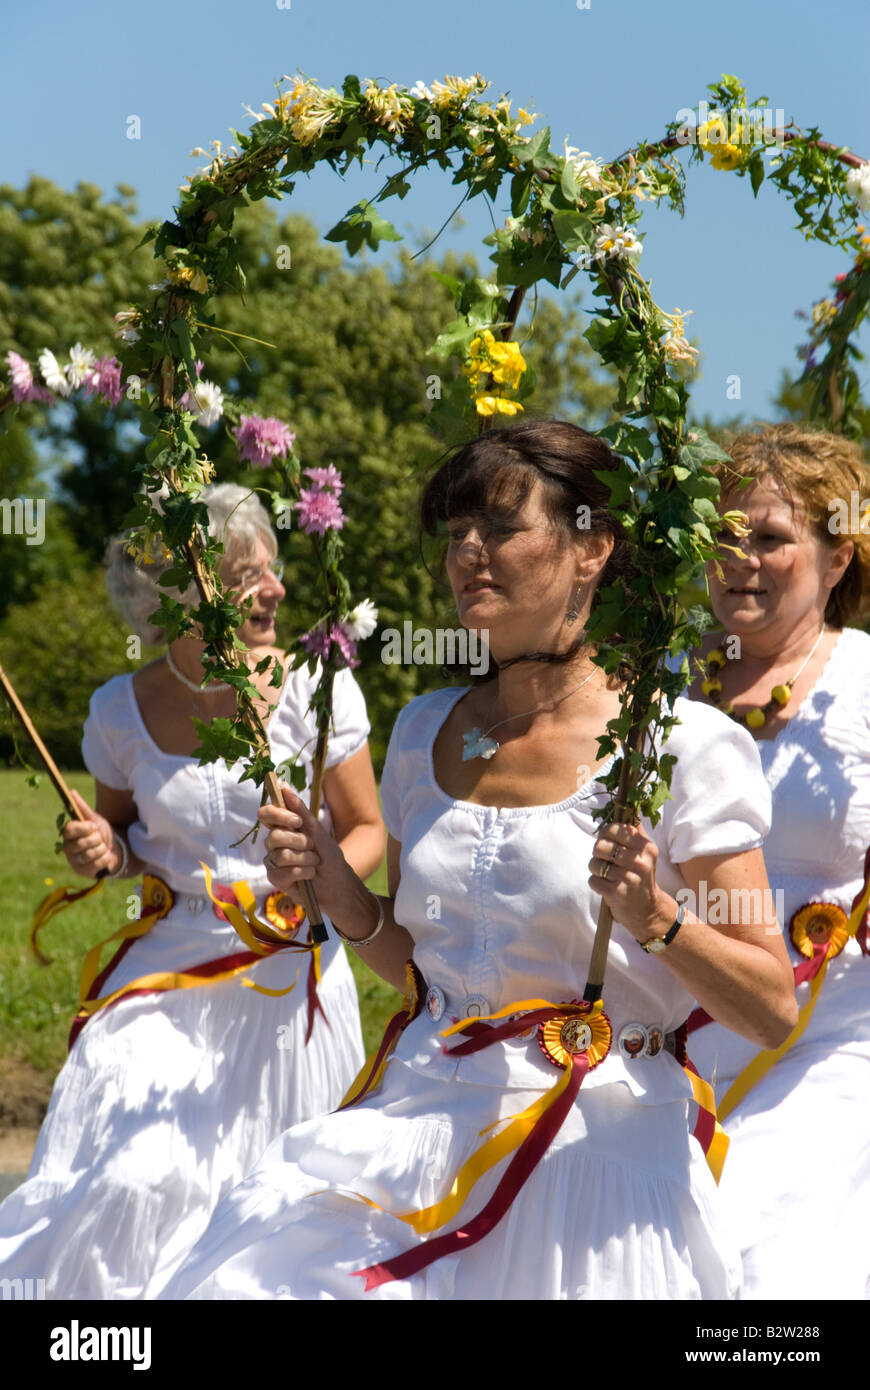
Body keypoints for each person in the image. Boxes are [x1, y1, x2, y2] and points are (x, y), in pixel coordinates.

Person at [160, 421, 797, 1302]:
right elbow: (427, 971)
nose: (468, 551)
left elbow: (770, 1009)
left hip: (594, 1144)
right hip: (420, 1111)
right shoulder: (424, 728)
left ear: (592, 548)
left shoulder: (684, 746)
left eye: (499, 527)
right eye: (455, 531)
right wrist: (337, 890)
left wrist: (661, 921)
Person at [0, 483, 384, 1299]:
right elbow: (125, 850)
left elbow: (367, 830)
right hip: (165, 980)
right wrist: (104, 851)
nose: (276, 591)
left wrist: (319, 876)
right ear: (182, 599)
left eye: (275, 570)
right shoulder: (117, 712)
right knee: (131, 1180)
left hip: (291, 979)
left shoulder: (318, 689)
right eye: (249, 578)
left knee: (276, 1212)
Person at [680, 422, 870, 1300]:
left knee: (760, 1265)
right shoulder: (662, 688)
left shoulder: (865, 683)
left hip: (827, 1049)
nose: (740, 559)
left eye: (770, 538)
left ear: (838, 559)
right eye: (724, 535)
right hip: (671, 1040)